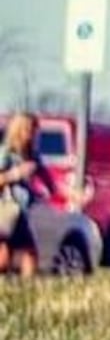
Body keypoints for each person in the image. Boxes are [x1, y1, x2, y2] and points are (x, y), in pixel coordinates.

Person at [0, 112, 52, 281]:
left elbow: (50, 181)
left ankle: (23, 288)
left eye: (35, 131)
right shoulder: (6, 153)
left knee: (14, 251)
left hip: (21, 210)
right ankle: (25, 287)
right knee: (26, 251)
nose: (33, 135)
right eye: (30, 130)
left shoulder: (32, 156)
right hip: (7, 209)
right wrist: (15, 174)